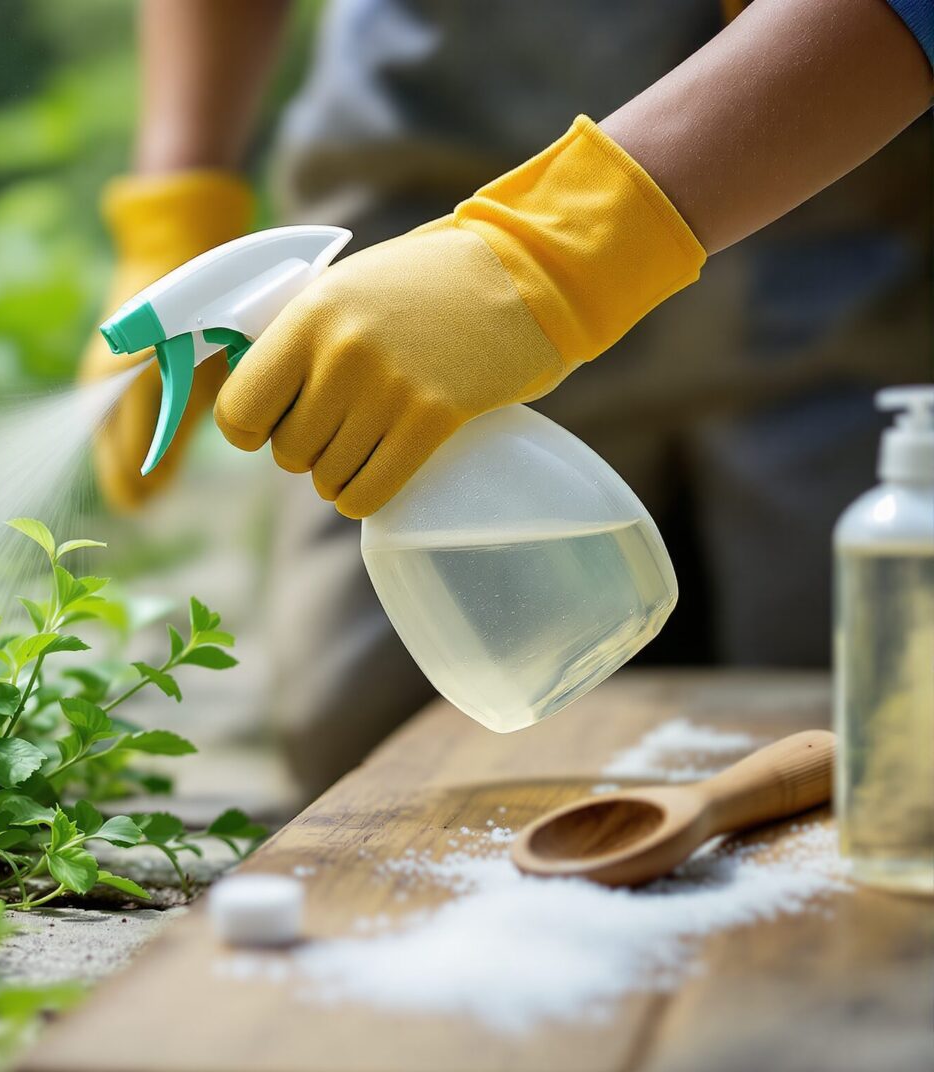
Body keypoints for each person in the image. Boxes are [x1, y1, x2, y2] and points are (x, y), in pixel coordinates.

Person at [82, 0, 934, 797]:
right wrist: (181, 194)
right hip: (417, 205)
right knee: (368, 748)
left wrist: (549, 256)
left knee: (882, 725)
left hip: (827, 184)